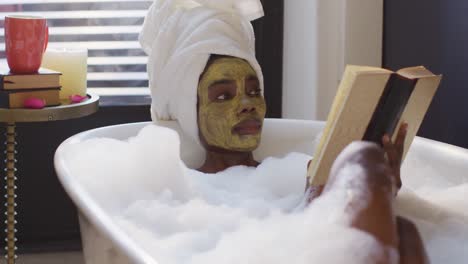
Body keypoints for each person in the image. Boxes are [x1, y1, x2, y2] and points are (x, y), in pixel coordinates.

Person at [140, 0, 428, 263]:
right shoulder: (184, 193)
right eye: (223, 96)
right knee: (365, 161)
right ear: (190, 110)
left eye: (254, 91)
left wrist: (316, 202)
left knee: (406, 231)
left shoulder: (294, 175)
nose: (247, 105)